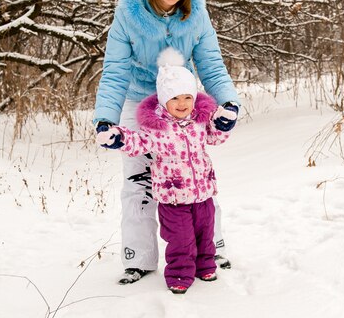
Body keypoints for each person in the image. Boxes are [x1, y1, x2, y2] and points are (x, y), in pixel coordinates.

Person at [94, 0, 240, 284]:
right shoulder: (128, 14)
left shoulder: (197, 14)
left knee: (196, 171)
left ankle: (211, 245)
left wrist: (228, 101)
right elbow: (115, 69)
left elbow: (210, 63)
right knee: (138, 178)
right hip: (138, 98)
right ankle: (139, 257)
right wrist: (106, 119)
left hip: (180, 100)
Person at [96, 48, 238, 293]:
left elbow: (215, 137)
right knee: (181, 240)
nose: (182, 104)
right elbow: (139, 143)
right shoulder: (157, 128)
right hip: (173, 198)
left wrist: (223, 123)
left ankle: (205, 266)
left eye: (186, 97)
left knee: (205, 233)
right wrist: (117, 137)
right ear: (163, 100)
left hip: (202, 192)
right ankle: (179, 275)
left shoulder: (199, 121)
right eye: (174, 98)